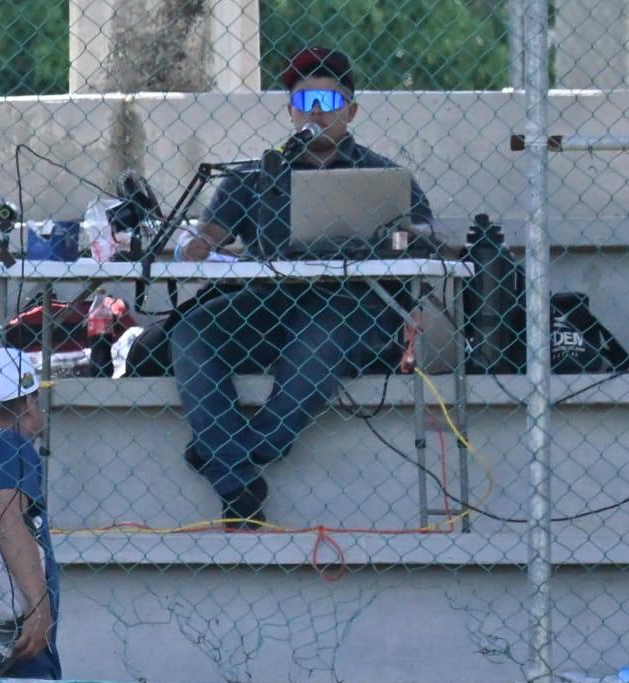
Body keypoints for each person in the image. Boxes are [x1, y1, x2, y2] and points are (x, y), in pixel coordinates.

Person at [170, 46, 436, 529]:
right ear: (290, 109)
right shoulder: (253, 175)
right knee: (192, 330)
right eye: (304, 100)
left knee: (321, 333)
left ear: (351, 111)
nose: (315, 111)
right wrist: (195, 244)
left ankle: (230, 464)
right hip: (267, 308)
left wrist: (399, 237)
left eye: (329, 102)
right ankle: (234, 471)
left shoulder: (383, 175)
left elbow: (421, 235)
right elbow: (207, 235)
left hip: (349, 309)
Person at [0, 347, 61, 683]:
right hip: (17, 653)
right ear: (28, 400)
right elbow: (11, 521)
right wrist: (39, 610)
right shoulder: (12, 445)